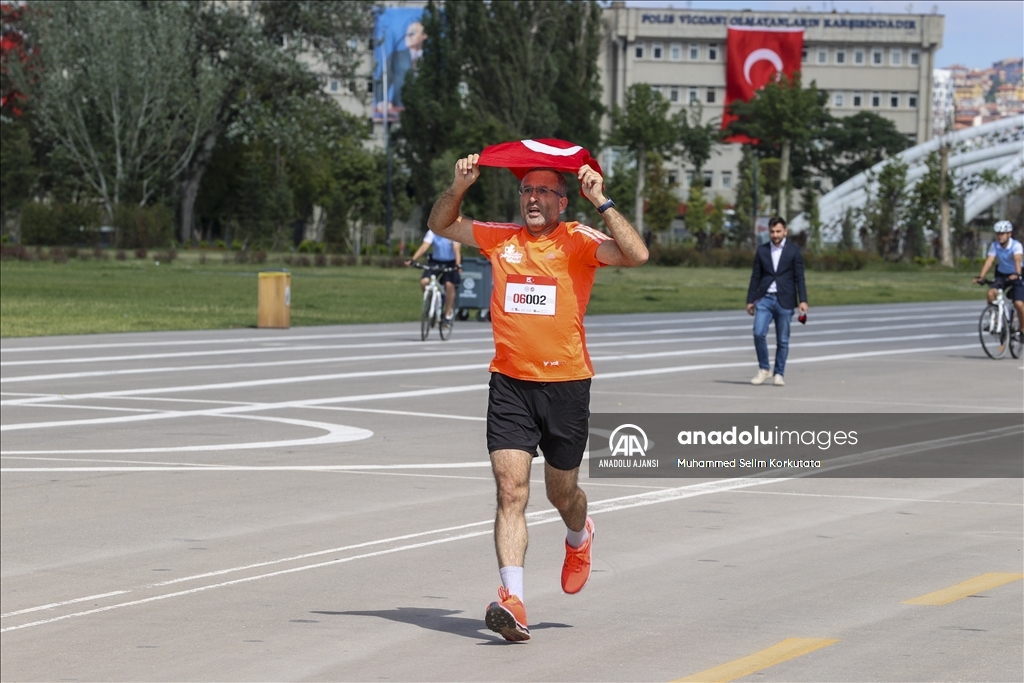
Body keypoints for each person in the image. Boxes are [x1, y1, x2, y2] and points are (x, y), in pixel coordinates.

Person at [426, 154, 648, 642]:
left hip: (567, 386)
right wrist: (459, 186)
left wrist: (601, 199)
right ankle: (514, 600)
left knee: (561, 494)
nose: (532, 198)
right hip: (510, 384)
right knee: (511, 492)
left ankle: (579, 535)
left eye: (544, 190)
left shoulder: (578, 240)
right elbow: (440, 224)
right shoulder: (500, 239)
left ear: (562, 202)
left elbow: (636, 254)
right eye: (527, 189)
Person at [746, 216, 808, 387]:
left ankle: (779, 373)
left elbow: (799, 277)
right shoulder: (762, 250)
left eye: (778, 231)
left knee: (783, 340)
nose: (775, 235)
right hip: (765, 299)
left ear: (785, 231)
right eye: (772, 231)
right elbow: (755, 276)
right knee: (758, 333)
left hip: (785, 299)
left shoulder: (793, 251)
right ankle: (764, 368)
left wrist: (803, 300)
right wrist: (751, 300)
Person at [973, 220, 1023, 338]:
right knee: (991, 293)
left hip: (1017, 274)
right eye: (998, 234)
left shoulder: (1016, 245)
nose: (1000, 236)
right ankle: (994, 320)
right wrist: (981, 276)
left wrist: (1017, 273)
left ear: (1009, 234)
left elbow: (1017, 259)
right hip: (1002, 274)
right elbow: (989, 261)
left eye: (1002, 234)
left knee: (1019, 304)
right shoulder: (995, 245)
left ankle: (1022, 329)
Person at [406, 230, 462, 323]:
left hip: (451, 262)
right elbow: (424, 247)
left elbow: (456, 249)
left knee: (449, 285)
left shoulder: (453, 232)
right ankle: (433, 303)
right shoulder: (432, 232)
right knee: (424, 282)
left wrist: (458, 264)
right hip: (436, 261)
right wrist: (413, 259)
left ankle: (447, 314)